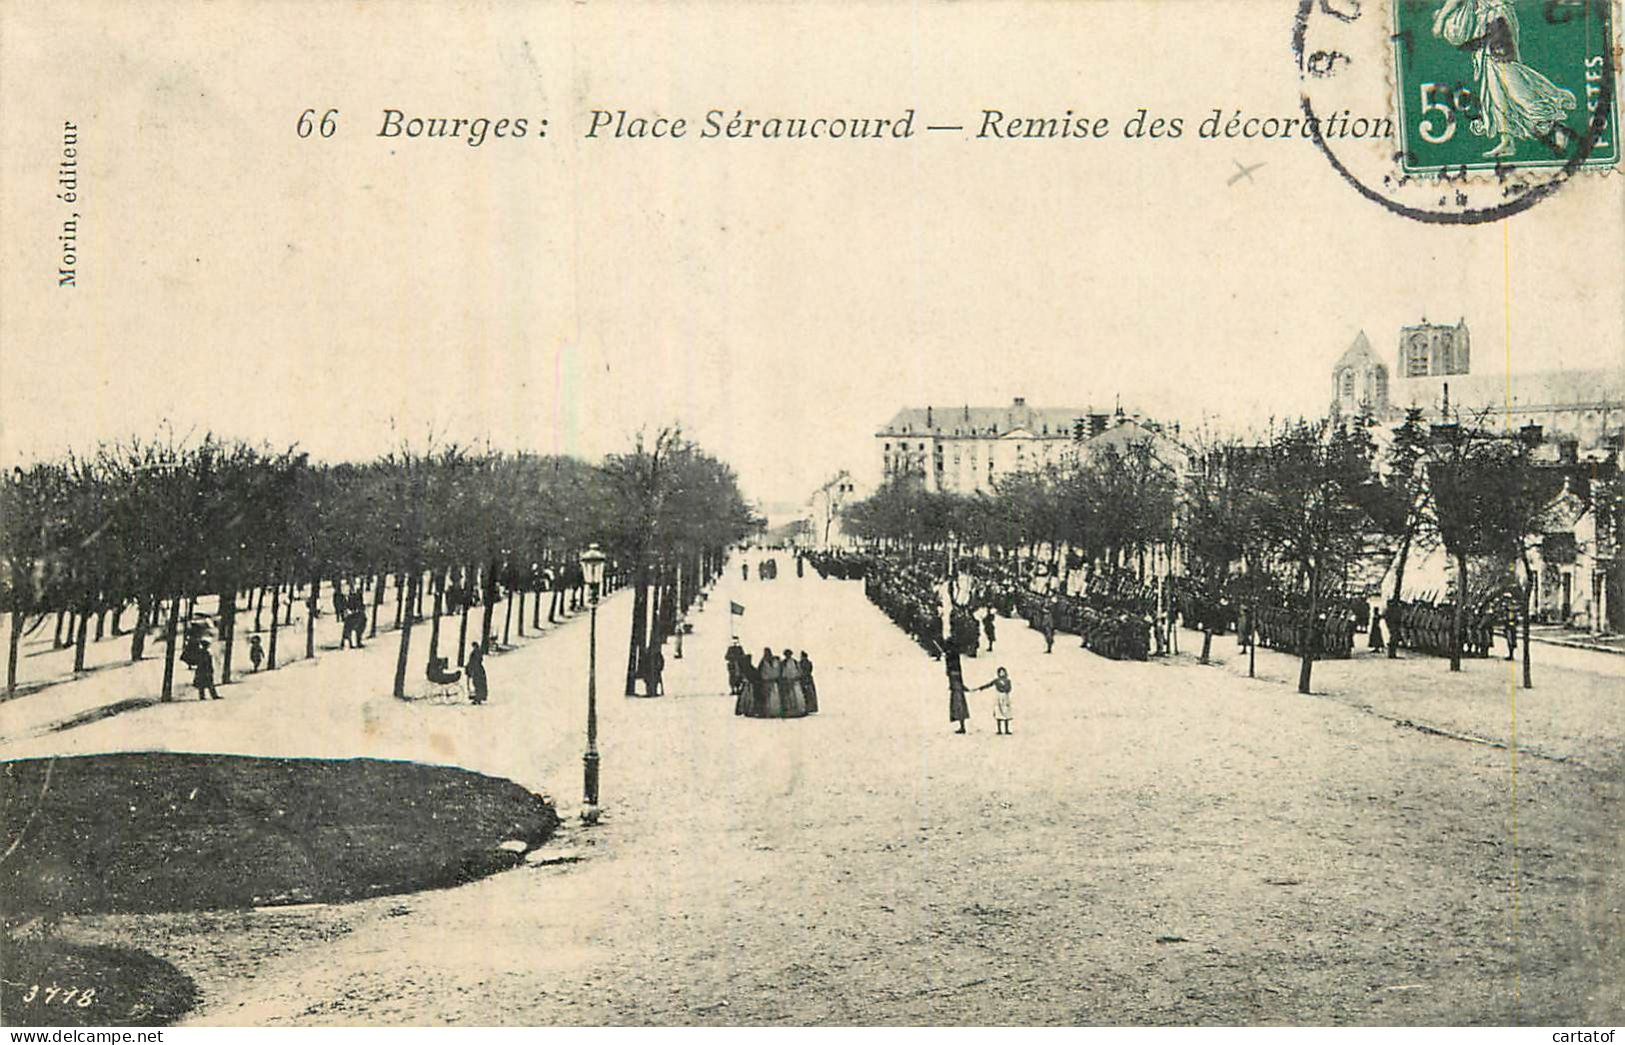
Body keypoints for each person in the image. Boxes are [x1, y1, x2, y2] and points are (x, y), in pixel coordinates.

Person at [1433, 0, 1578, 159]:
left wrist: (1440, 20)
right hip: (1490, 20)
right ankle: (1507, 139)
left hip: (1497, 21)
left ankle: (1554, 126)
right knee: (1493, 85)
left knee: (1511, 80)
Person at [975, 666, 1014, 735]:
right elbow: (989, 684)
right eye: (1000, 672)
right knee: (998, 712)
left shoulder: (1008, 681)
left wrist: (1006, 690)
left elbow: (1009, 688)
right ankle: (999, 729)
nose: (1002, 674)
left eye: (1003, 672)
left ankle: (1006, 729)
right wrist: (981, 688)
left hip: (1005, 697)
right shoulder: (996, 681)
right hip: (998, 697)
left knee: (1006, 712)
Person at [943, 638, 970, 734]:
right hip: (956, 682)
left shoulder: (951, 657)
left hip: (955, 683)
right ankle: (961, 725)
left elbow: (952, 671)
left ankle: (962, 726)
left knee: (958, 704)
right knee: (959, 704)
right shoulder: (954, 656)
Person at [779, 648, 807, 717]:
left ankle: (799, 710)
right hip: (786, 681)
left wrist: (798, 677)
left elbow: (799, 671)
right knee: (788, 697)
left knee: (797, 696)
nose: (788, 655)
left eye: (789, 654)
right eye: (786, 654)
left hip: (795, 681)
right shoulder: (783, 663)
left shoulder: (795, 662)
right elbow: (781, 672)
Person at [757, 648, 782, 717]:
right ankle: (767, 712)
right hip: (766, 682)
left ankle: (775, 712)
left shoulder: (775, 661)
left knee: (774, 697)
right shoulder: (763, 662)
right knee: (767, 697)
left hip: (774, 681)